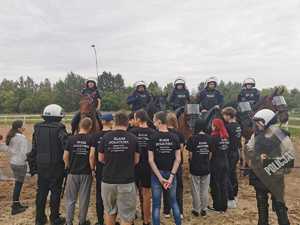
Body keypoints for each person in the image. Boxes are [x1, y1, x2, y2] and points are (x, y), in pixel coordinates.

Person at [247, 109, 291, 225]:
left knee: (280, 207)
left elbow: (288, 158)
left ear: (267, 121)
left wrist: (271, 163)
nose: (256, 125)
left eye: (258, 122)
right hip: (259, 177)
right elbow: (248, 150)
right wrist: (258, 156)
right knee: (262, 207)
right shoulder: (255, 135)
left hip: (275, 177)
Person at [27, 104, 68, 225]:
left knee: (41, 192)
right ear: (57, 116)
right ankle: (54, 218)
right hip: (56, 166)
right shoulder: (60, 128)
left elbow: (34, 147)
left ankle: (39, 219)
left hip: (41, 165)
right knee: (55, 192)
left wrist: (33, 166)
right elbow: (64, 145)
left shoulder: (37, 127)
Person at [99, 111, 140, 225]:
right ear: (127, 123)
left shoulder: (105, 137)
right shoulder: (133, 138)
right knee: (126, 216)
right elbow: (136, 160)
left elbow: (100, 158)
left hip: (108, 180)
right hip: (126, 181)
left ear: (114, 122)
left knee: (109, 212)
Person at [148, 111, 182, 225]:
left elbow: (150, 160)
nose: (153, 123)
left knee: (156, 204)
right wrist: (172, 177)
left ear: (159, 121)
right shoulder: (175, 137)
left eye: (154, 120)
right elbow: (178, 159)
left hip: (157, 175)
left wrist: (160, 177)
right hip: (171, 174)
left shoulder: (152, 137)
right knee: (174, 202)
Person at [130, 110, 156, 225]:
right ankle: (146, 220)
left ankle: (131, 218)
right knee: (146, 193)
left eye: (135, 118)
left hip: (134, 166)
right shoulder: (153, 133)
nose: (134, 121)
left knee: (132, 193)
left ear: (139, 120)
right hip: (147, 166)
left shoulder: (132, 132)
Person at [0, 120, 31, 215]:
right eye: (23, 125)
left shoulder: (12, 136)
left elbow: (8, 149)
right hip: (20, 164)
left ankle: (16, 204)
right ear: (19, 128)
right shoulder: (21, 137)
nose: (25, 126)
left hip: (13, 162)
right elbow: (24, 153)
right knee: (18, 185)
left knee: (18, 184)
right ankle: (15, 206)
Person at [186, 119, 213, 217]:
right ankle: (204, 209)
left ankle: (196, 209)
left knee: (195, 189)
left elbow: (190, 155)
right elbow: (210, 154)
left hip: (195, 167)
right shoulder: (210, 138)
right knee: (205, 189)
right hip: (206, 167)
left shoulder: (192, 139)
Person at [91, 114, 113, 225]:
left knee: (99, 195)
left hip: (100, 169)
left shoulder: (95, 136)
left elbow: (91, 155)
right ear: (111, 122)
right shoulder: (114, 135)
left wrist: (92, 168)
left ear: (103, 122)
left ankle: (100, 221)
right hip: (114, 169)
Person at [163, 112, 185, 219]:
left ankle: (167, 211)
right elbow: (180, 149)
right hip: (177, 163)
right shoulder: (179, 134)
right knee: (178, 188)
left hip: (166, 163)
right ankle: (179, 211)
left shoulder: (164, 132)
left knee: (166, 186)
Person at [222, 107, 242, 209]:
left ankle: (230, 199)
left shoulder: (228, 127)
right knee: (233, 174)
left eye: (224, 115)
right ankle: (234, 194)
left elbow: (225, 141)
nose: (223, 117)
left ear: (229, 115)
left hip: (229, 153)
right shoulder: (238, 126)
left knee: (227, 175)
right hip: (236, 152)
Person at [209, 118, 230, 213]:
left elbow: (210, 153)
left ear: (215, 126)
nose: (211, 126)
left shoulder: (213, 137)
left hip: (216, 163)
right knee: (223, 184)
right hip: (225, 162)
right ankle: (224, 206)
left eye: (213, 124)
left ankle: (217, 206)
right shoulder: (226, 137)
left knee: (215, 185)